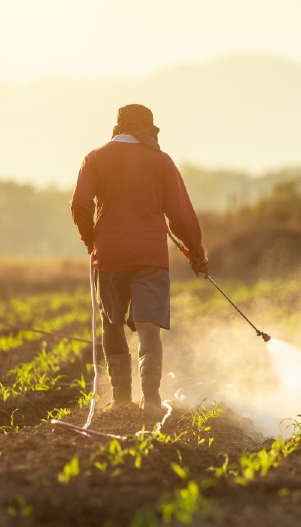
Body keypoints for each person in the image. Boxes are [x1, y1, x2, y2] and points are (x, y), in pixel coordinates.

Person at [70, 103, 208, 419]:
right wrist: (197, 255)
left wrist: (92, 241)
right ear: (148, 129)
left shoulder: (95, 158)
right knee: (148, 328)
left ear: (118, 127)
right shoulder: (161, 161)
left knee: (112, 322)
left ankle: (120, 400)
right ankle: (152, 400)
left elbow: (80, 203)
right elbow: (181, 215)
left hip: (109, 255)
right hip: (150, 256)